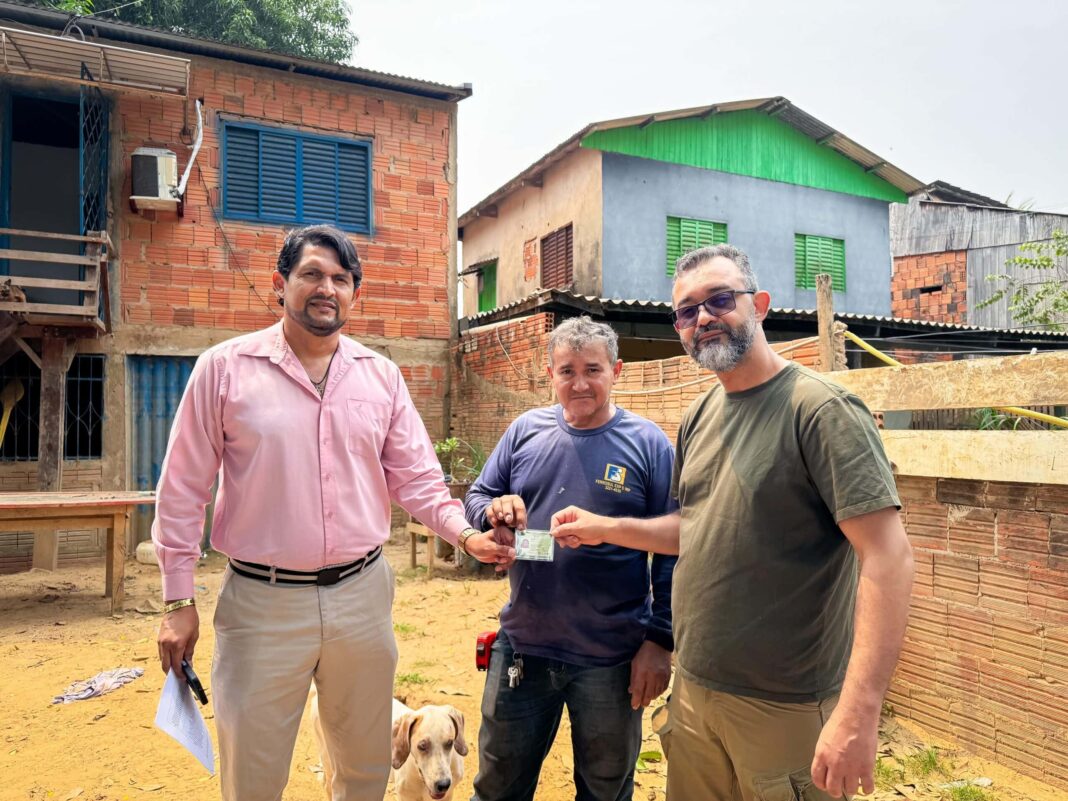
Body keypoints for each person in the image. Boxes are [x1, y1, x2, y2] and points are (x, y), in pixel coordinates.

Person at [152, 224, 511, 801]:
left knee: (364, 770)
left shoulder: (380, 377)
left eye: (341, 279)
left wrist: (467, 536)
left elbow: (417, 479)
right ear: (281, 283)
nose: (327, 288)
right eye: (312, 274)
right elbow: (181, 490)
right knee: (252, 774)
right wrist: (177, 601)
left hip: (361, 600)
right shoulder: (225, 370)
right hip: (262, 604)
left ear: (354, 294)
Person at [551, 245, 914, 801]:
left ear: (760, 304)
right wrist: (606, 526)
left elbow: (888, 558)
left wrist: (859, 713)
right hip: (696, 694)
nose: (703, 318)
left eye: (721, 299)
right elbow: (694, 528)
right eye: (687, 310)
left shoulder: (820, 411)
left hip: (784, 706)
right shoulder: (701, 414)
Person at [460, 316, 678, 801]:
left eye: (593, 370)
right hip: (522, 647)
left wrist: (660, 640)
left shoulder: (648, 444)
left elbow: (673, 552)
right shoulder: (525, 431)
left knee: (604, 789)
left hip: (612, 658)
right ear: (550, 373)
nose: (579, 383)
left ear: (616, 371)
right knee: (497, 786)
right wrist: (493, 512)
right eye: (567, 371)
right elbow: (477, 497)